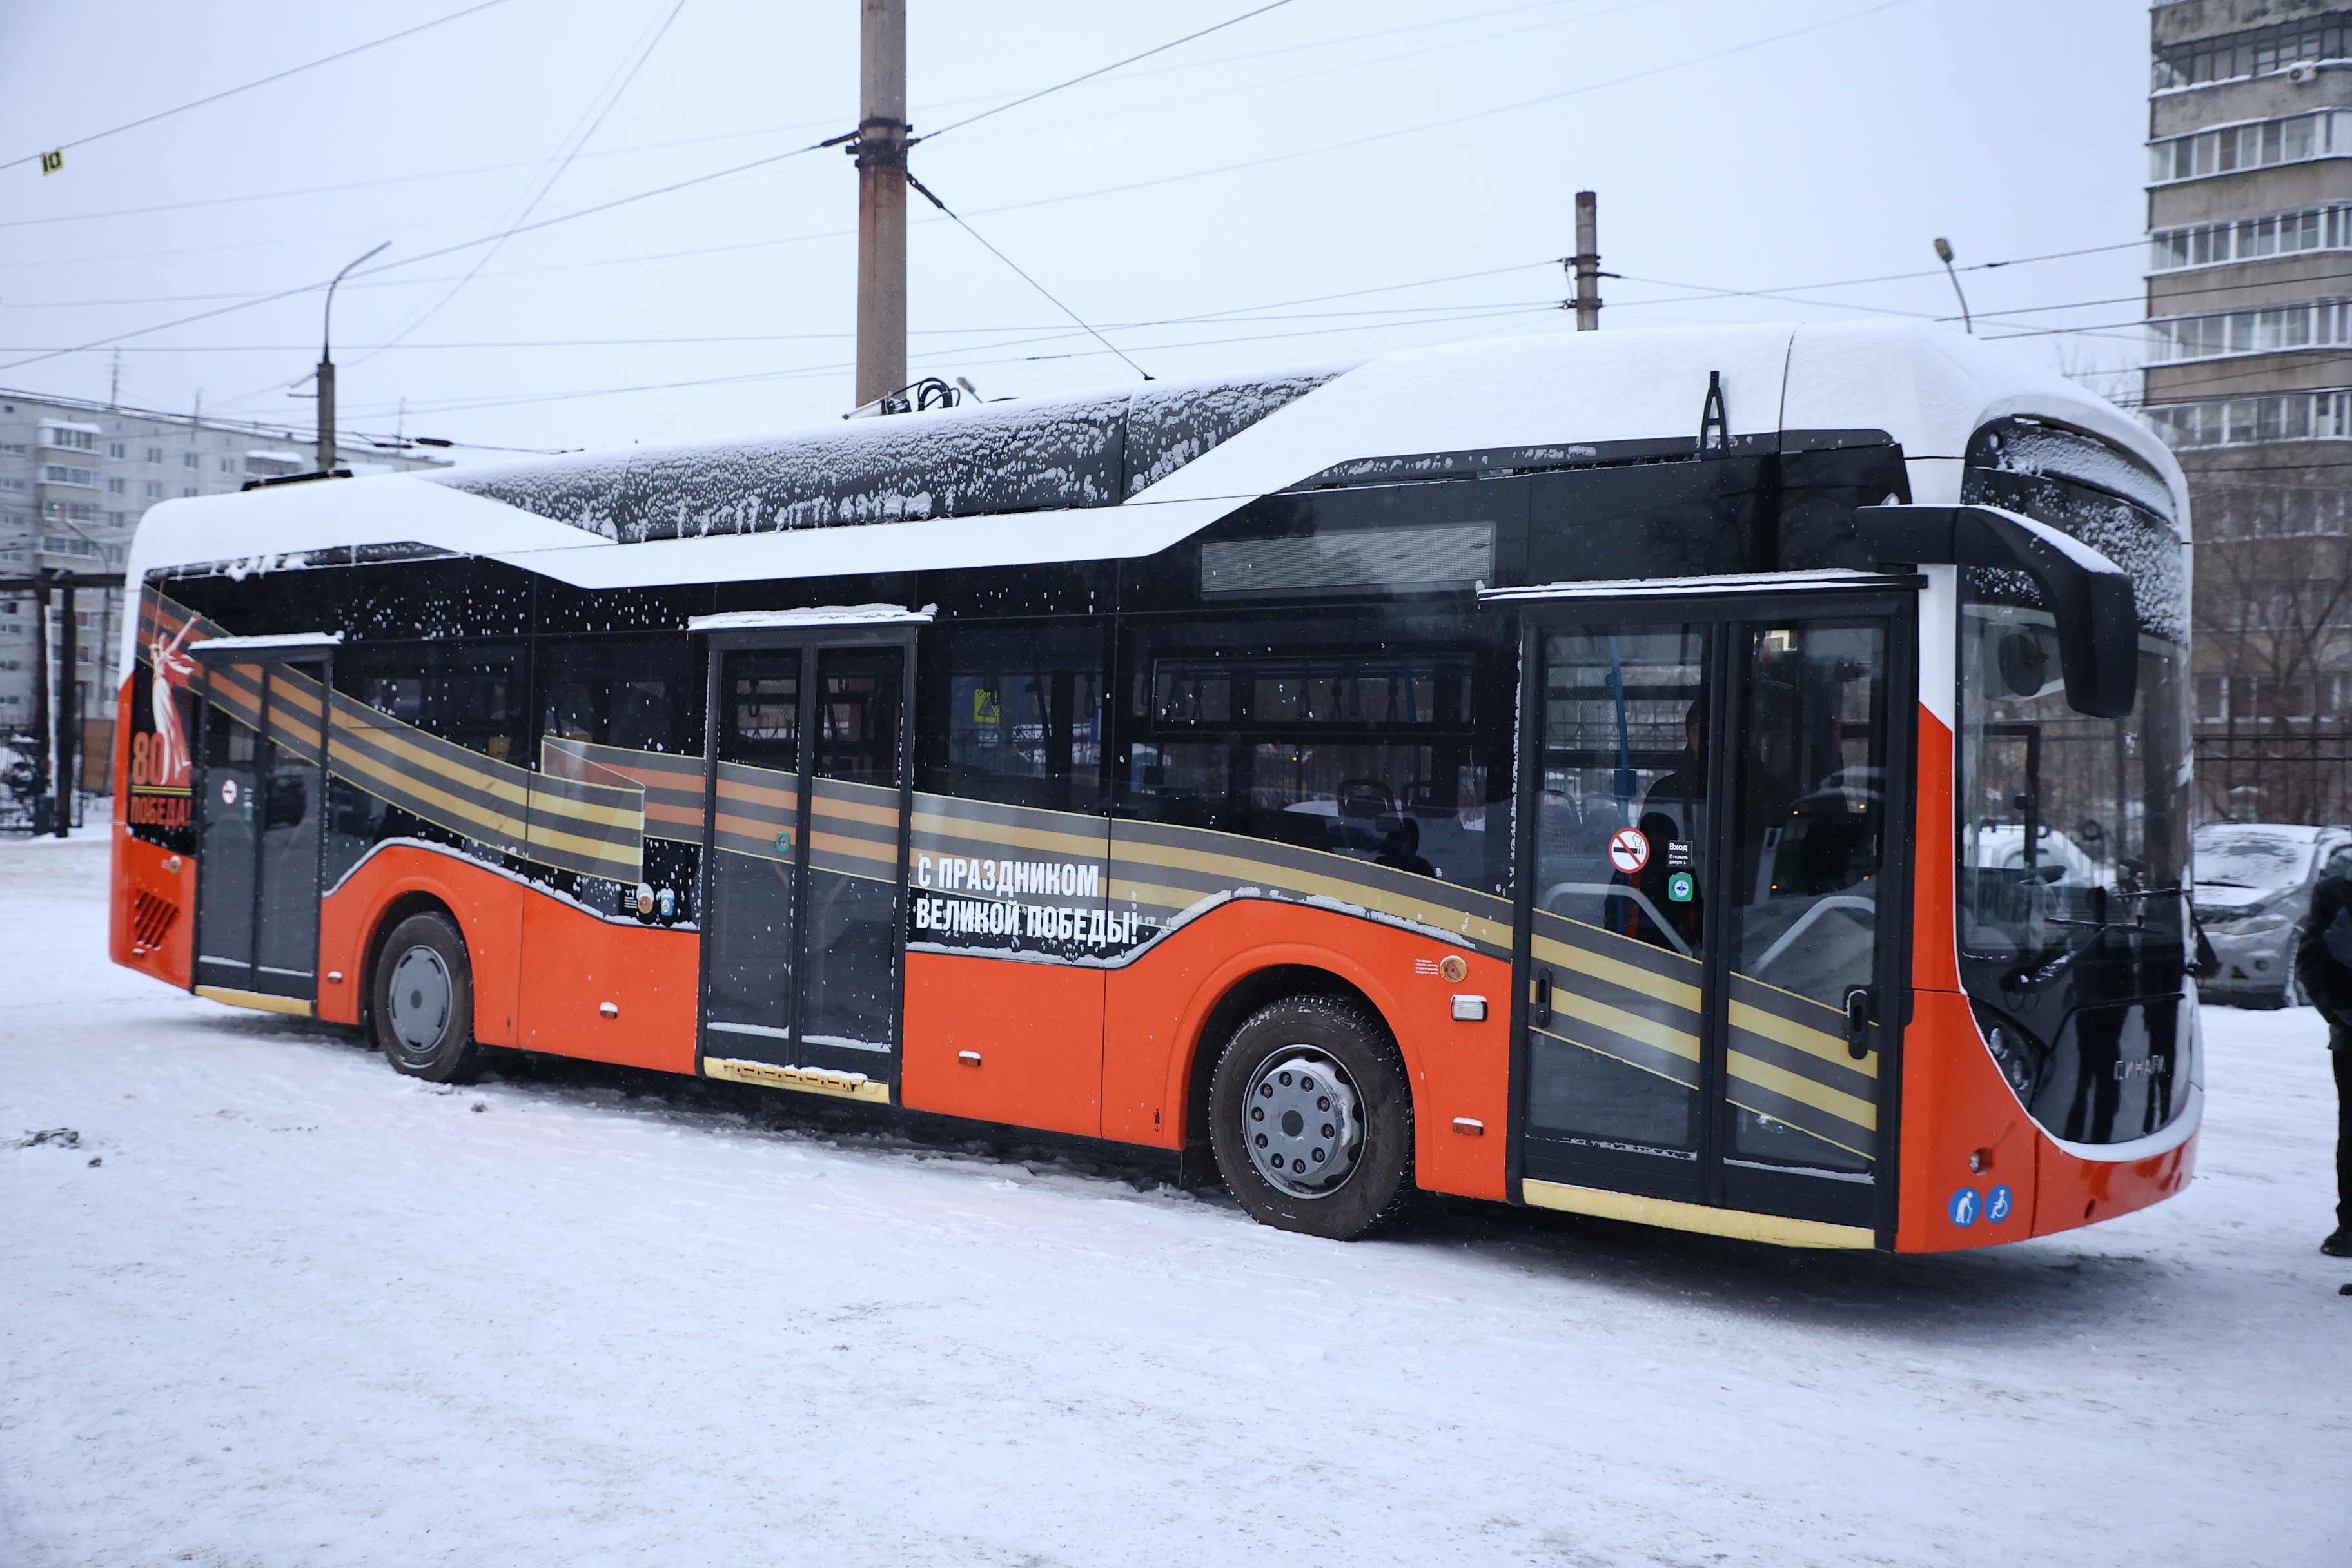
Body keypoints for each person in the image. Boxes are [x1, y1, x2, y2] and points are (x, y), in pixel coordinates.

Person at [2293, 855, 2352, 1258]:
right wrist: (2339, 1015)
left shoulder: (2338, 886)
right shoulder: (2339, 889)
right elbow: (2313, 957)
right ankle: (2349, 1227)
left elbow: (2311, 957)